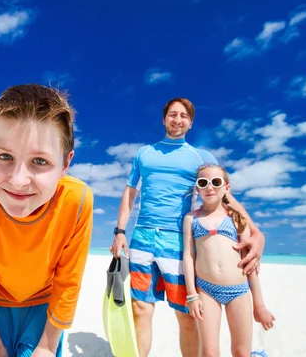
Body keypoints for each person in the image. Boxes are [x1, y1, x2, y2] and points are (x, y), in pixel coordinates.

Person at [109, 97, 266, 357]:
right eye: (172, 114)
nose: (177, 119)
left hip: (178, 240)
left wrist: (256, 232)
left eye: (183, 116)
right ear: (164, 119)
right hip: (143, 237)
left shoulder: (200, 157)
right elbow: (129, 194)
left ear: (190, 123)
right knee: (141, 308)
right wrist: (120, 232)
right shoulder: (144, 154)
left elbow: (224, 195)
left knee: (186, 315)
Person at [0, 84, 94, 357]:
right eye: (5, 156)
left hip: (44, 308)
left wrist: (48, 345)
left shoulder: (77, 201)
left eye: (40, 161)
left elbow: (68, 283)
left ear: (65, 164)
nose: (18, 180)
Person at [183, 164, 275, 357]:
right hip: (206, 290)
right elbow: (189, 255)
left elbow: (249, 263)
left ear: (227, 187)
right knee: (209, 352)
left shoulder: (236, 218)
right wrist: (192, 294)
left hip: (239, 291)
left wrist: (259, 305)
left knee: (241, 352)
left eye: (216, 182)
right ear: (197, 188)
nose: (210, 187)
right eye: (203, 183)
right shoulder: (192, 218)